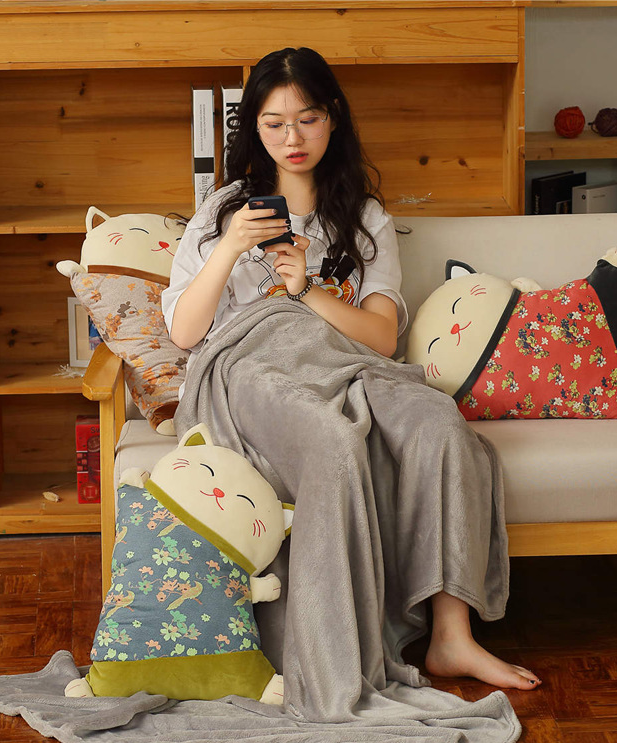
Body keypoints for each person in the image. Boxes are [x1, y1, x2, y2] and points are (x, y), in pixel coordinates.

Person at [162, 46, 540, 692]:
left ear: (332, 117)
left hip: (345, 363)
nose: (292, 139)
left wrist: (308, 290)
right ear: (255, 128)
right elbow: (185, 332)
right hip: (247, 367)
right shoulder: (223, 210)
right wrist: (229, 246)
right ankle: (334, 654)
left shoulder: (366, 219)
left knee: (438, 420)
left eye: (307, 119)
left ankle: (452, 637)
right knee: (333, 440)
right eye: (275, 124)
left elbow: (383, 338)